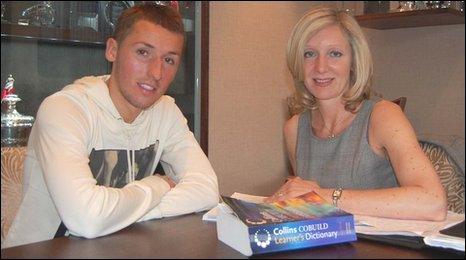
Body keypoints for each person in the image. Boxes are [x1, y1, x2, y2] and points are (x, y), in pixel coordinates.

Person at [3, 4, 219, 249]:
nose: (157, 72)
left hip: (117, 248)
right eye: (143, 52)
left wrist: (118, 213)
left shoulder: (165, 111)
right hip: (39, 252)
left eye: (168, 59)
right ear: (113, 50)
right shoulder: (65, 109)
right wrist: (157, 185)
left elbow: (206, 190)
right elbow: (85, 219)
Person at [265, 6, 447, 221]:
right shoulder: (294, 128)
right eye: (309, 54)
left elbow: (433, 202)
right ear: (297, 63)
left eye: (335, 54)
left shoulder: (384, 115)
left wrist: (323, 196)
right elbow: (314, 213)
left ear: (353, 62)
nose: (320, 67)